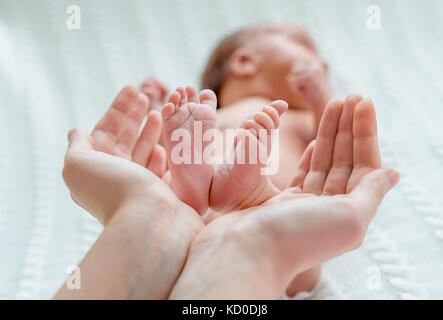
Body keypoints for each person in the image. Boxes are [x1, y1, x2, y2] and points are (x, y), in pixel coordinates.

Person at [54, 85, 399, 299]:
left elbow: (330, 135)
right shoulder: (208, 113)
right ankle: (211, 204)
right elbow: (157, 149)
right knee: (295, 259)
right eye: (299, 47)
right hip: (258, 224)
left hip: (275, 197)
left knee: (303, 268)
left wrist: (319, 91)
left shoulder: (296, 116)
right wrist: (157, 109)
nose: (319, 62)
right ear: (244, 61)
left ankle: (183, 205)